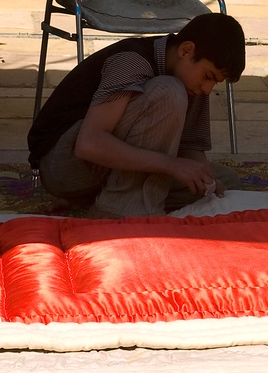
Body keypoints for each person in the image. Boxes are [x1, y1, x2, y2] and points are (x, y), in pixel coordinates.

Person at [27, 12, 246, 218]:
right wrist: (170, 165)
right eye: (208, 76)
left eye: (214, 82)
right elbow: (89, 144)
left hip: (108, 168)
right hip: (63, 163)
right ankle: (115, 212)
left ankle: (98, 198)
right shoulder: (133, 61)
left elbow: (191, 149)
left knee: (223, 183)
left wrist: (206, 180)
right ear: (186, 50)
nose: (207, 89)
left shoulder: (192, 82)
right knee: (168, 92)